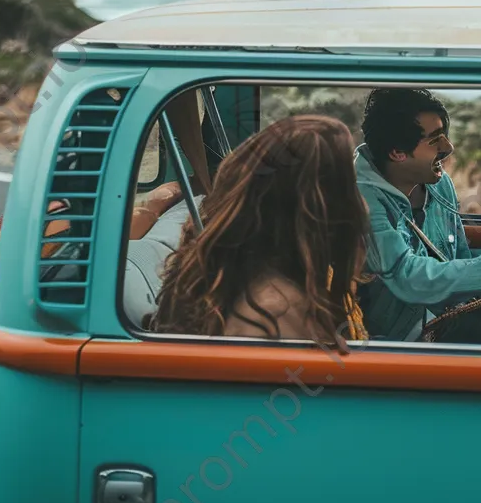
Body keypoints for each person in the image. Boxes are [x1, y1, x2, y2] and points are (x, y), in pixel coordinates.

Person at [150, 115, 369, 347]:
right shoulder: (275, 310)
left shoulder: (278, 276)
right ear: (316, 207)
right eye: (349, 187)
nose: (361, 203)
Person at [355, 88, 481, 343]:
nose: (448, 147)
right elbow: (407, 276)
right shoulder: (360, 199)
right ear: (397, 152)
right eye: (435, 140)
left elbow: (458, 260)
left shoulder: (439, 185)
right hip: (398, 336)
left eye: (445, 136)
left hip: (448, 314)